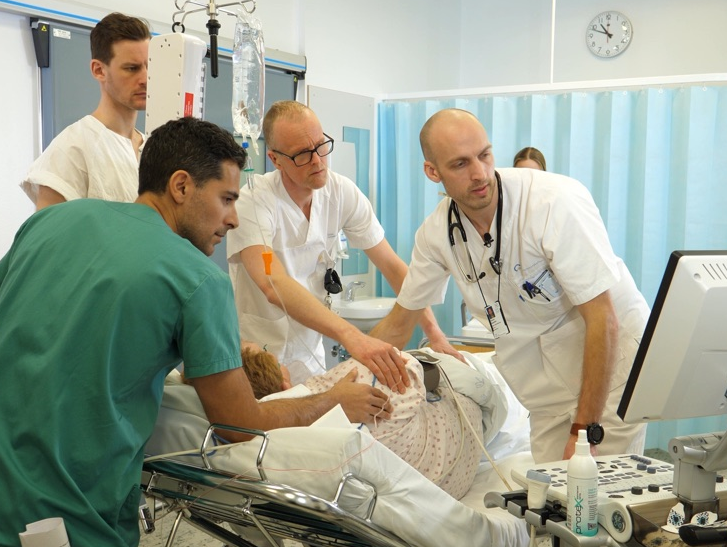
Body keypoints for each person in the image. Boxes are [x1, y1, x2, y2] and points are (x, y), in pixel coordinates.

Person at [0, 118, 394, 547]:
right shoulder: (197, 278)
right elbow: (240, 426)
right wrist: (333, 400)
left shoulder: (48, 223)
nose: (232, 219)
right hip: (55, 532)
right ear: (181, 186)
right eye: (226, 199)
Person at [371, 108, 650, 463]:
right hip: (547, 391)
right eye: (460, 164)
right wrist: (344, 379)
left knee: (597, 490)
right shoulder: (436, 234)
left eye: (484, 155)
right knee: (549, 490)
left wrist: (584, 431)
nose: (479, 173)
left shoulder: (553, 202)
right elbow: (400, 322)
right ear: (432, 172)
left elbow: (603, 319)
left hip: (611, 376)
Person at [226, 100, 459, 388]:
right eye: (302, 154)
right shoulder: (254, 201)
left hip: (310, 354)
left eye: (321, 146)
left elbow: (393, 267)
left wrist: (434, 334)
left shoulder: (341, 193)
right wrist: (352, 336)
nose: (317, 161)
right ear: (276, 159)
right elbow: (272, 281)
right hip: (258, 357)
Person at [240, 347, 489, 499]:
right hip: (468, 421)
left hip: (436, 484)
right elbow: (421, 368)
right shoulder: (356, 380)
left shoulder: (258, 448)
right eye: (265, 350)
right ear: (285, 384)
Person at [20, 12, 151, 210]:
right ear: (99, 70)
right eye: (132, 68)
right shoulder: (71, 150)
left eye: (149, 66)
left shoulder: (153, 149)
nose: (145, 79)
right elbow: (52, 230)